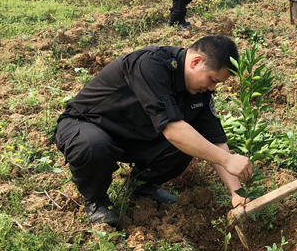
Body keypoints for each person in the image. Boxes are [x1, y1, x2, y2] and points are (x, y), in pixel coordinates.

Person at [54, 35, 254, 226]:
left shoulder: (199, 91)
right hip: (89, 125)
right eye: (212, 80)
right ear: (196, 62)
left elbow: (214, 141)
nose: (212, 88)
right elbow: (173, 131)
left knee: (192, 140)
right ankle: (96, 201)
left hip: (133, 134)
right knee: (93, 145)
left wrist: (237, 193)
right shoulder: (151, 65)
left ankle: (142, 188)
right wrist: (228, 160)